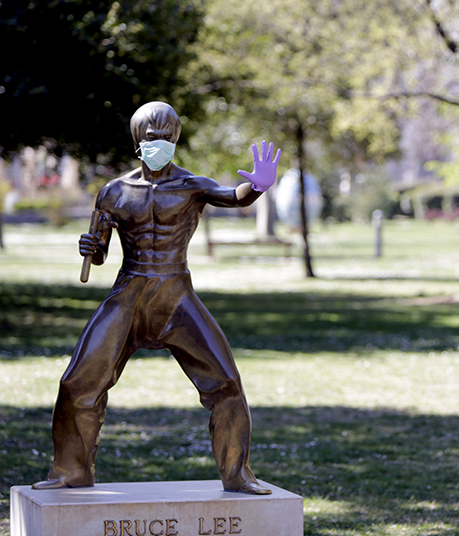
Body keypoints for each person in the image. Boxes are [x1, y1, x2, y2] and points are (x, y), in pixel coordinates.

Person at [33, 102, 280, 494]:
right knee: (77, 383)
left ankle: (237, 473)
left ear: (175, 139)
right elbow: (98, 254)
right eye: (152, 138)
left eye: (167, 137)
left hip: (175, 295)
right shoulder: (114, 192)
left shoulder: (192, 185)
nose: (159, 144)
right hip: (128, 295)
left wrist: (259, 185)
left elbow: (234, 196)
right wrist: (90, 246)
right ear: (138, 141)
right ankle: (71, 471)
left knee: (226, 383)